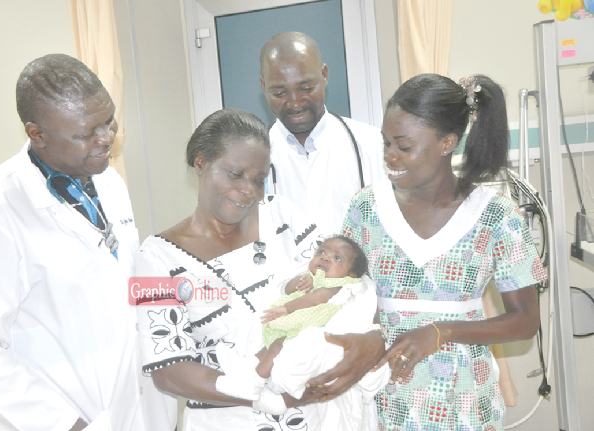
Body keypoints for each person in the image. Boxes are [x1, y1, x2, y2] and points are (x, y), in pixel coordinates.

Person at [0, 54, 164, 431]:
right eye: (86, 132)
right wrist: (64, 425)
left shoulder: (108, 181)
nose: (106, 139)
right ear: (37, 134)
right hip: (71, 415)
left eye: (107, 121)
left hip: (139, 403)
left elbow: (124, 280)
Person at [323, 73, 545, 431]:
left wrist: (441, 331)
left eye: (403, 146)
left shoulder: (495, 215)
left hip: (462, 398)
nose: (390, 156)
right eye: (385, 143)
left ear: (447, 143)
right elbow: (343, 296)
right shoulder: (366, 208)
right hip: (382, 393)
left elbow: (525, 321)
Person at [136, 108, 358, 431]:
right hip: (227, 421)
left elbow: (345, 285)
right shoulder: (155, 259)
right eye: (235, 174)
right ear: (201, 164)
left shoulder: (281, 217)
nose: (249, 191)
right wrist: (256, 392)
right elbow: (168, 371)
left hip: (314, 416)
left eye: (258, 179)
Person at [213, 235, 389, 431]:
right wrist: (300, 281)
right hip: (292, 323)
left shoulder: (338, 286)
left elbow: (314, 299)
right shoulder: (310, 276)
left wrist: (287, 308)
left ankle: (256, 384)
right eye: (322, 252)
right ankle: (248, 370)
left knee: (277, 348)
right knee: (270, 348)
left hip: (304, 328)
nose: (325, 257)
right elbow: (286, 287)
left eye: (337, 258)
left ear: (352, 274)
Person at [260, 31, 385, 235]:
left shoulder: (373, 145)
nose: (295, 102)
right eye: (280, 93)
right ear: (263, 87)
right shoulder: (252, 159)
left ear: (325, 75)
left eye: (306, 88)